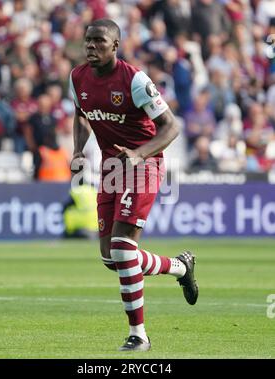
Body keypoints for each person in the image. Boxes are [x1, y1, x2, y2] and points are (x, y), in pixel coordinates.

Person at [69, 19, 198, 352]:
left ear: (115, 46)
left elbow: (171, 127)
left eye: (99, 41)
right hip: (112, 167)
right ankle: (180, 267)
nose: (91, 46)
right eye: (88, 40)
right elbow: (81, 114)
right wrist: (78, 149)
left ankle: (139, 335)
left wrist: (140, 155)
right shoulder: (77, 77)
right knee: (111, 258)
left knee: (123, 248)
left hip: (144, 164)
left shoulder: (135, 80)